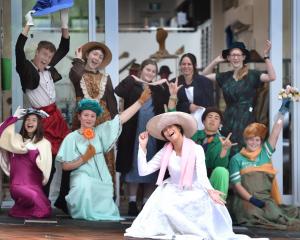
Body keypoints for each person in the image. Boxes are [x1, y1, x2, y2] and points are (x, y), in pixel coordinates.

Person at [125, 112, 265, 240]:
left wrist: (210, 191)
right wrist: (142, 147)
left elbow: (202, 175)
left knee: (200, 211)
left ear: (179, 128)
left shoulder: (196, 149)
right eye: (165, 130)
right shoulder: (165, 151)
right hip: (171, 189)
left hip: (194, 188)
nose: (168, 131)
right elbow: (143, 171)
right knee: (164, 207)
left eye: (171, 127)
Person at [55, 90, 151, 221]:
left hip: (101, 178)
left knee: (106, 198)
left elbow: (121, 119)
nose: (89, 118)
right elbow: (65, 166)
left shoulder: (100, 132)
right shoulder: (71, 138)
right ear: (79, 116)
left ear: (96, 118)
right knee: (83, 185)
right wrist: (84, 158)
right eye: (86, 115)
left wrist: (140, 102)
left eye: (92, 116)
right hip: (81, 177)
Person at [55, 41, 117, 213]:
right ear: (87, 55)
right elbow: (74, 75)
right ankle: (70, 199)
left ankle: (105, 199)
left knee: (104, 159)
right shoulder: (78, 72)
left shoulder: (106, 78)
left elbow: (112, 104)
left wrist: (114, 126)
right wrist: (77, 60)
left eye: (100, 56)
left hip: (103, 122)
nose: (97, 58)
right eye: (94, 54)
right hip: (82, 121)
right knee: (77, 156)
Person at [15, 9, 70, 196]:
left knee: (65, 158)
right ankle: (38, 197)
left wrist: (64, 20)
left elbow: (64, 48)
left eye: (49, 55)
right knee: (43, 163)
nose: (46, 58)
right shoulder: (27, 69)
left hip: (56, 118)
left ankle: (60, 198)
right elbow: (18, 50)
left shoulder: (48, 67)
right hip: (40, 121)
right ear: (37, 52)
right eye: (44, 53)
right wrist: (28, 24)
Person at [229, 97, 300, 230]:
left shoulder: (265, 153)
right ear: (245, 140)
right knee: (251, 214)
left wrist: (284, 108)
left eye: (257, 140)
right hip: (245, 200)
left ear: (261, 142)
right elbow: (237, 186)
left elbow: (276, 130)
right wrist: (252, 200)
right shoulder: (236, 159)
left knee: (276, 215)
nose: (254, 143)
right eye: (250, 139)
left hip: (266, 199)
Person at [115, 59, 169, 216]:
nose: (150, 73)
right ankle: (132, 203)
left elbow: (169, 101)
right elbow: (118, 90)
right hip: (134, 132)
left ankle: (146, 204)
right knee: (133, 166)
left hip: (154, 134)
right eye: (147, 70)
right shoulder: (133, 85)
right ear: (141, 70)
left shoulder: (159, 89)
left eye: (153, 71)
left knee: (152, 167)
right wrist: (135, 78)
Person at [202, 41, 276, 156]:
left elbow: (272, 77)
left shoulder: (253, 75)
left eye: (238, 55)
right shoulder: (225, 76)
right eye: (232, 55)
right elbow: (203, 76)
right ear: (229, 58)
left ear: (243, 57)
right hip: (229, 119)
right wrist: (216, 61)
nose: (235, 58)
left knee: (246, 152)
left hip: (247, 119)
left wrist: (266, 56)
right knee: (227, 151)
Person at [0, 107, 52, 218]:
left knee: (45, 209)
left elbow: (46, 168)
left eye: (34, 120)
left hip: (34, 186)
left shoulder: (44, 143)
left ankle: (19, 210)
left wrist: (34, 151)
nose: (30, 122)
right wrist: (14, 118)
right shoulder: (15, 140)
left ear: (38, 124)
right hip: (17, 185)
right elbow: (1, 133)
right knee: (38, 205)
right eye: (27, 119)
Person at [191, 107, 235, 199]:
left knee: (222, 171)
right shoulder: (192, 135)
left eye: (216, 118)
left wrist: (224, 150)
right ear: (203, 121)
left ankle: (220, 206)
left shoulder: (224, 141)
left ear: (220, 124)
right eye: (209, 116)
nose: (212, 120)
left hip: (210, 180)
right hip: (192, 178)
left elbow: (220, 167)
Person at [175, 53, 214, 130]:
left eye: (189, 64)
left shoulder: (205, 82)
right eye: (183, 64)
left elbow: (210, 105)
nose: (186, 66)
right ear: (180, 66)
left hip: (202, 124)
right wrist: (188, 106)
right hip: (183, 124)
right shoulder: (175, 82)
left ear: (194, 66)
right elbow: (173, 105)